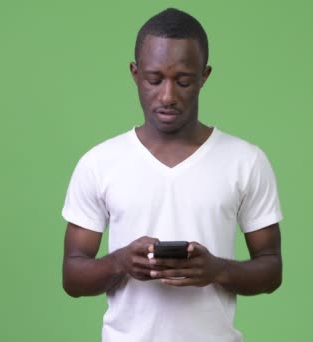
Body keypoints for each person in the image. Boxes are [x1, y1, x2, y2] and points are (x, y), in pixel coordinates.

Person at [61, 8, 283, 342]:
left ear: (204, 76)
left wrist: (217, 270)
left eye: (183, 81)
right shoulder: (99, 163)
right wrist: (121, 263)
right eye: (154, 79)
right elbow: (72, 277)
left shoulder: (246, 161)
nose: (167, 96)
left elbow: (271, 269)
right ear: (135, 74)